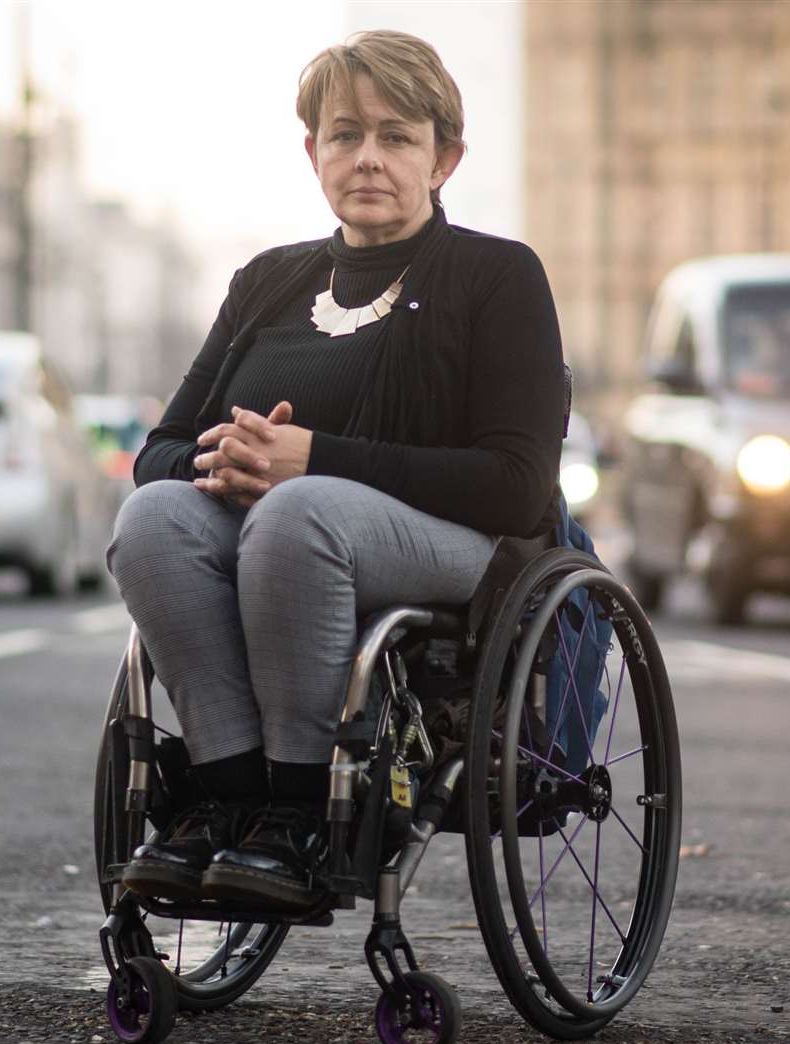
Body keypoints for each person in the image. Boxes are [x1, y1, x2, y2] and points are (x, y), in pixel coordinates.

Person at [105, 30, 566, 911]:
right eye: (345, 133)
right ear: (312, 151)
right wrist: (228, 463)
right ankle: (230, 798)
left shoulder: (498, 276)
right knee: (155, 519)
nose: (368, 158)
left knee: (301, 511)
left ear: (445, 158)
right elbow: (158, 450)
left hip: (458, 545)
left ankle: (303, 811)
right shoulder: (268, 282)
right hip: (277, 524)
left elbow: (515, 483)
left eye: (397, 136)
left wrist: (310, 461)